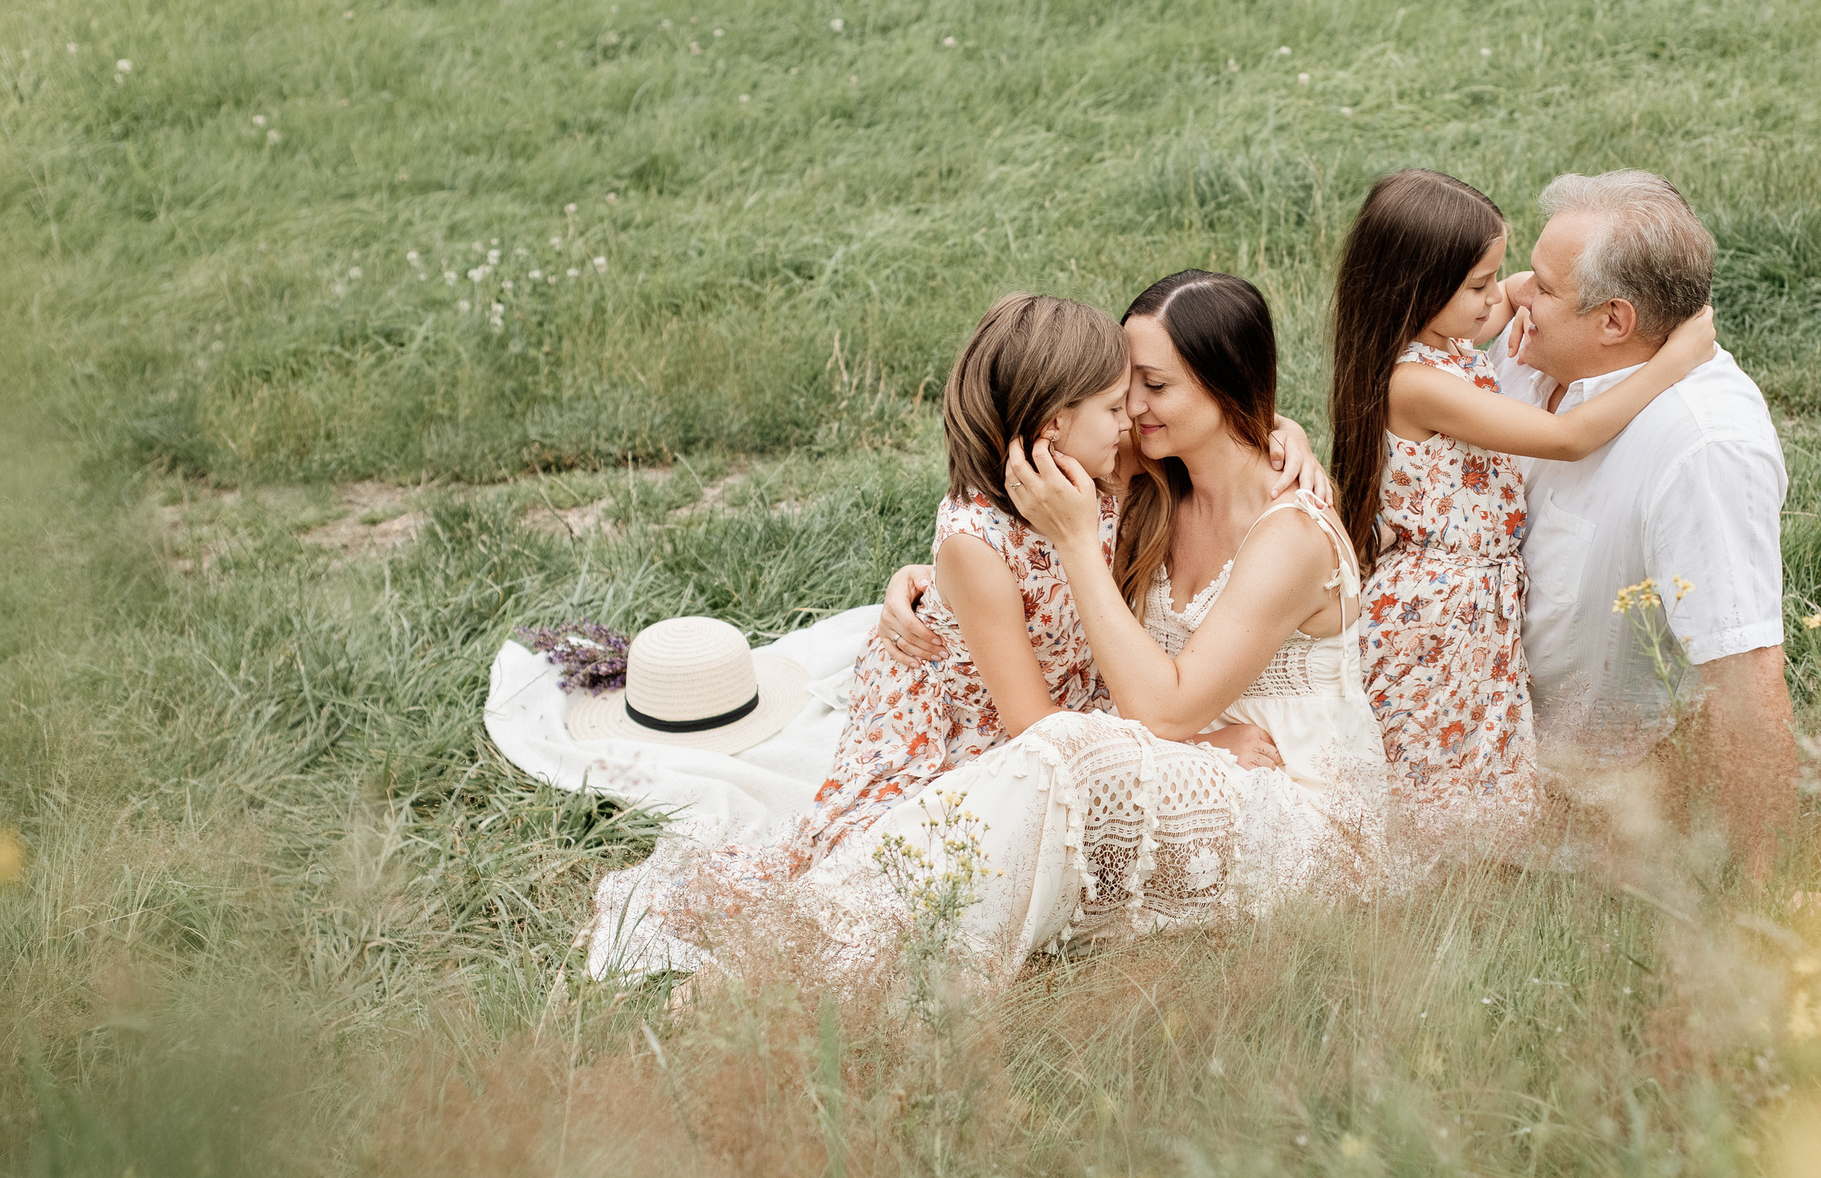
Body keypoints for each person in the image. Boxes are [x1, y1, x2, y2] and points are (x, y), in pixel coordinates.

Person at [589, 293, 1149, 977]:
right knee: (870, 877)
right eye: (1117, 406)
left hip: (1052, 694)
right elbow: (1032, 722)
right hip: (961, 723)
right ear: (1057, 423)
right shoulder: (979, 543)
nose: (1133, 420)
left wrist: (1284, 438)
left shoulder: (1103, 468)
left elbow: (1208, 448)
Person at [855, 272, 1389, 985]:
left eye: (1155, 386)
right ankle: (880, 927)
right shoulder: (1155, 472)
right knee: (1053, 757)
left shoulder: (1291, 532)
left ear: (1228, 387)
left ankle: (914, 953)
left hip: (1291, 790)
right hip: (1183, 742)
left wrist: (1080, 544)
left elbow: (1165, 706)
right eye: (1126, 385)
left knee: (1064, 750)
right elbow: (1006, 514)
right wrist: (930, 581)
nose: (1132, 408)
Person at [1326, 168, 1716, 847]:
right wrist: (1672, 362)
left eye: (1498, 277)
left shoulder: (1444, 333)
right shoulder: (1416, 383)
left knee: (1474, 763)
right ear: (1418, 289)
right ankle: (1414, 897)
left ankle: (1475, 881)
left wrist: (1527, 290)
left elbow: (1516, 293)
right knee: (1431, 770)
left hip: (1472, 607)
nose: (1502, 298)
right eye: (1479, 284)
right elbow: (1568, 438)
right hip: (1435, 617)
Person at [1495, 170, 1793, 879]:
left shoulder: (1702, 448)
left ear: (1613, 321)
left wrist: (1762, 882)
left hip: (1585, 809)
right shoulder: (1531, 349)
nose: (1515, 294)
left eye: (1540, 284)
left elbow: (1746, 672)